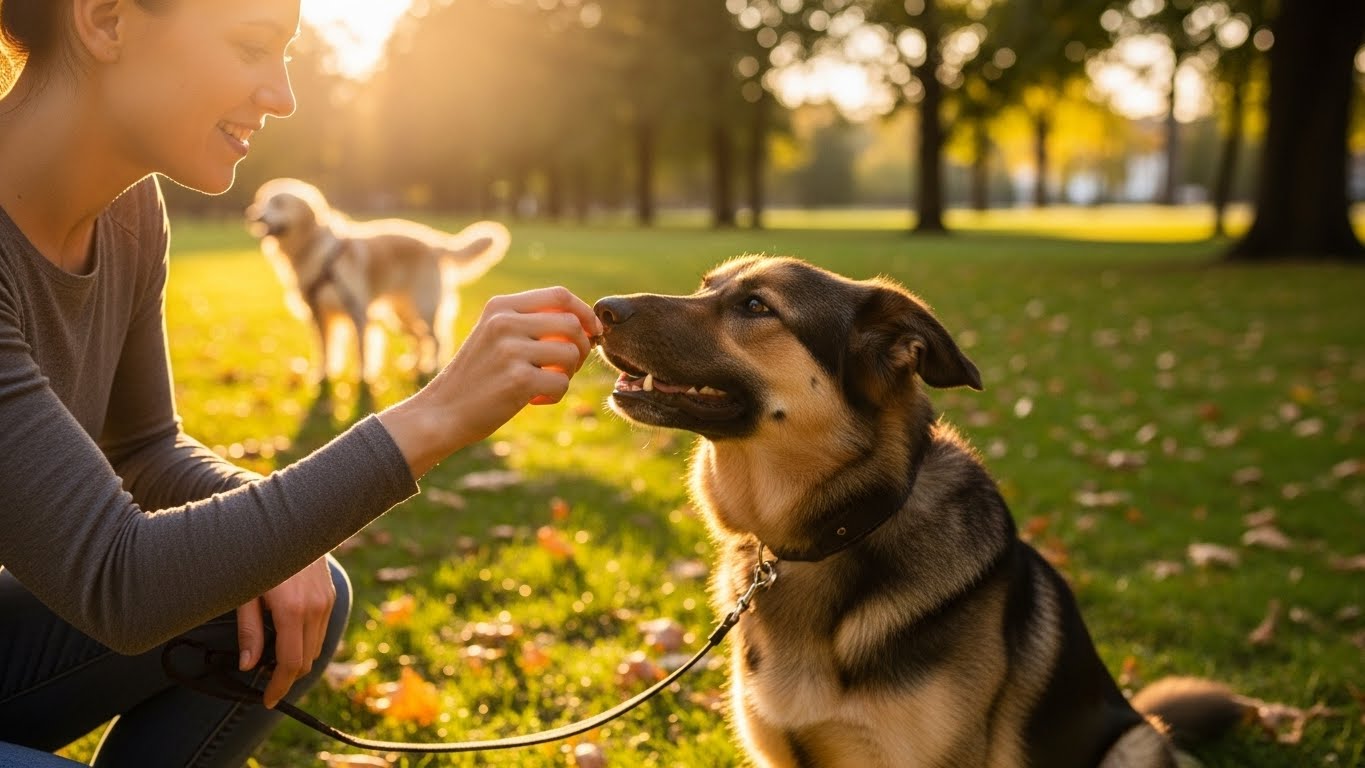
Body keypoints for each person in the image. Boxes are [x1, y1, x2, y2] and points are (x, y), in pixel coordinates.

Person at [0, 0, 602, 765]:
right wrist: (437, 414)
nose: (283, 95)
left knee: (288, 595)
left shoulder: (129, 214)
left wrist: (280, 540)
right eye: (253, 46)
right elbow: (121, 584)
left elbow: (144, 449)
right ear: (108, 19)